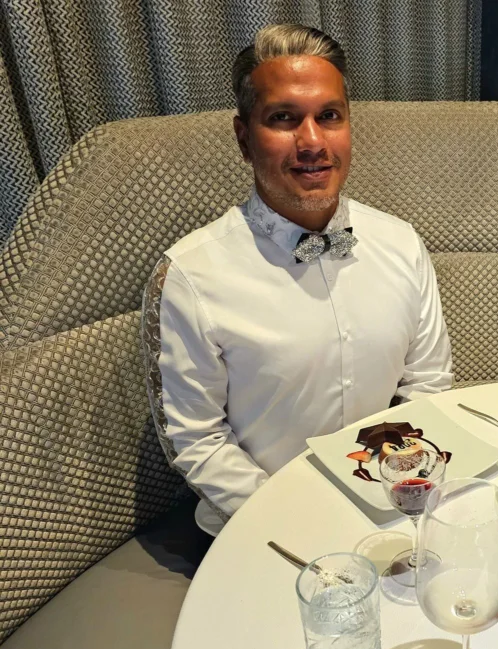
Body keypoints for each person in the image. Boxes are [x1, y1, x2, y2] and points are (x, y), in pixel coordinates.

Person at [142, 24, 452, 534]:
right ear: (244, 138)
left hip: (394, 511)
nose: (312, 141)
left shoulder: (401, 243)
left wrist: (401, 488)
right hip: (262, 530)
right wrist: (299, 521)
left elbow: (428, 384)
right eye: (284, 118)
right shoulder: (191, 276)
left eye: (329, 116)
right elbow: (196, 441)